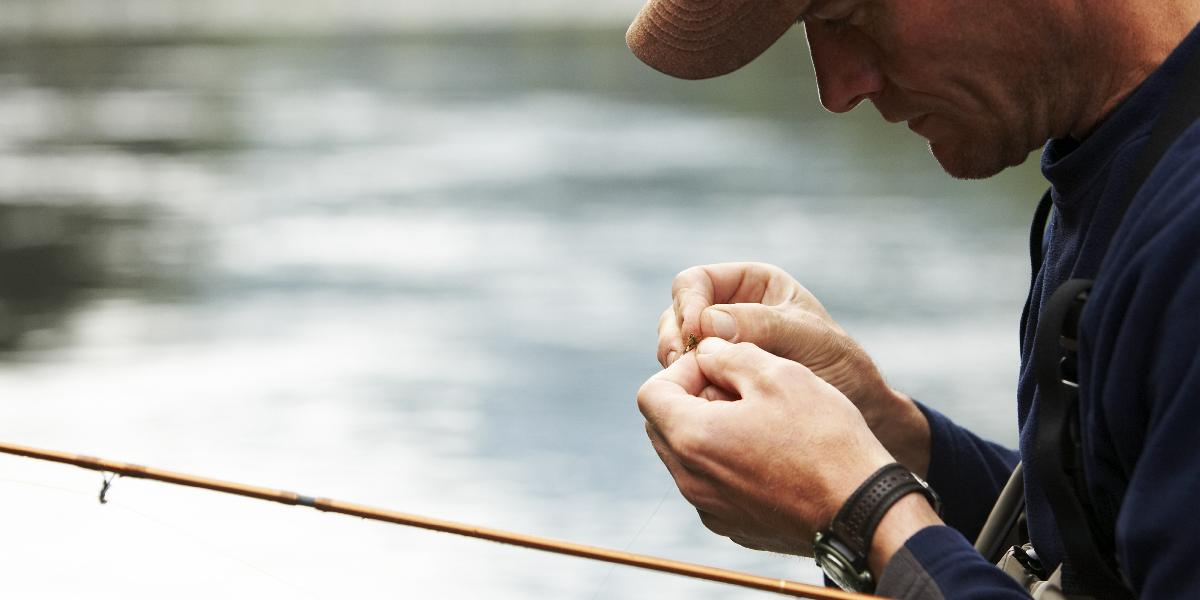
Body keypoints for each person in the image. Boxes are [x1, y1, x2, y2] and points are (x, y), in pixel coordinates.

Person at [628, 0, 1200, 598]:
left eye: (847, 13)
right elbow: (1109, 535)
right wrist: (885, 434)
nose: (839, 90)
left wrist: (864, 510)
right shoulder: (1119, 162)